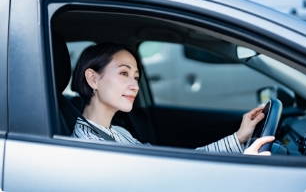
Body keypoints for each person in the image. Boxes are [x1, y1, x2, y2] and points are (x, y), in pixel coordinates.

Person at [71, 42, 274, 155]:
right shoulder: (92, 147)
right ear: (93, 79)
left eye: (136, 77)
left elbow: (176, 166)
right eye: (124, 73)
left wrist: (239, 137)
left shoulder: (116, 132)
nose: (135, 86)